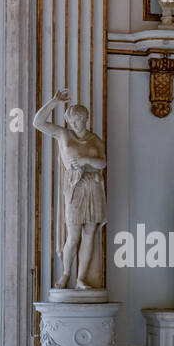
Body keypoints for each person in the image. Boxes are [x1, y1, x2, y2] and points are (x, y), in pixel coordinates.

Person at [34, 88, 107, 290]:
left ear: (86, 119)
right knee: (73, 235)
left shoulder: (95, 139)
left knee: (90, 232)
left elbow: (103, 163)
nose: (75, 125)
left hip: (93, 186)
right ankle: (66, 273)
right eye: (72, 121)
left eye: (78, 120)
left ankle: (81, 278)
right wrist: (54, 101)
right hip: (75, 187)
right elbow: (37, 123)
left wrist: (86, 159)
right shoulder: (63, 134)